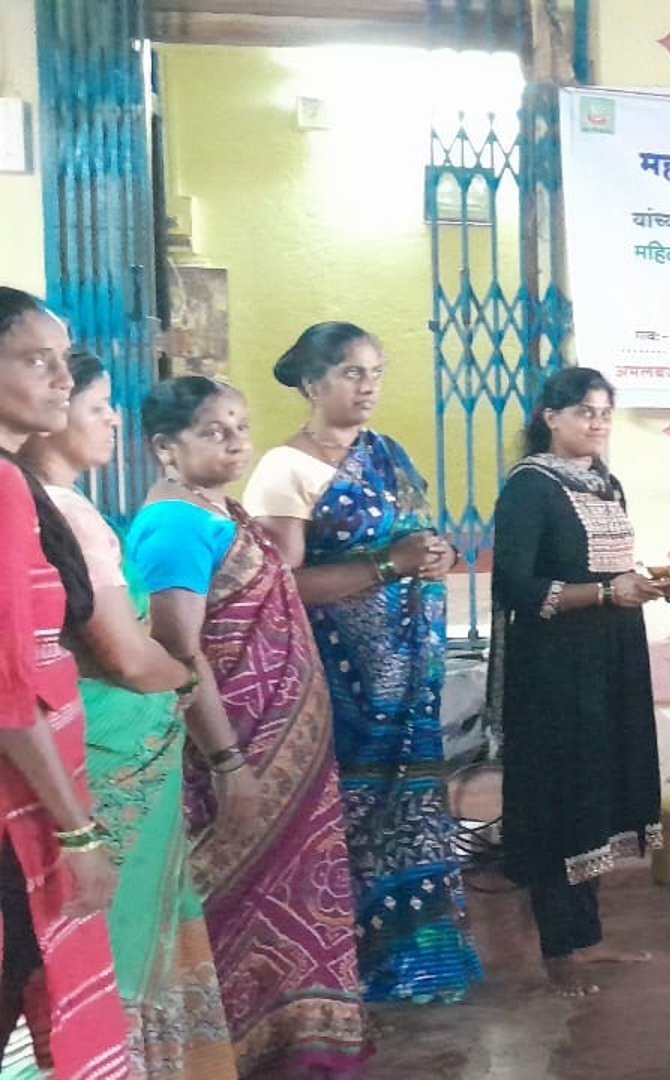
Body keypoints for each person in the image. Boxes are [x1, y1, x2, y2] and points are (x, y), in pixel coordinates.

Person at [127, 378, 368, 1078]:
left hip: (280, 757)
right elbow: (180, 650)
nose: (236, 441)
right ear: (165, 447)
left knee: (288, 900)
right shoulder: (175, 526)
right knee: (231, 906)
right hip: (232, 758)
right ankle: (234, 1052)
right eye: (214, 430)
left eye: (240, 426)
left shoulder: (220, 512)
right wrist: (228, 762)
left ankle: (295, 1043)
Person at [241, 322, 480, 1004]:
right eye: (352, 372)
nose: (368, 385)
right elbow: (279, 586)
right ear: (312, 383)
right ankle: (345, 968)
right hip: (340, 681)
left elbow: (418, 541)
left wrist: (437, 556)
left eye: (375, 371)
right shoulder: (283, 468)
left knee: (412, 808)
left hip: (408, 673)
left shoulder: (388, 454)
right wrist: (389, 566)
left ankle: (421, 962)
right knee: (347, 812)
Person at [21, 350, 239, 1078]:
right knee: (107, 934)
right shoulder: (66, 514)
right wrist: (186, 677)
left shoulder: (54, 506)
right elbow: (126, 656)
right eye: (96, 407)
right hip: (110, 757)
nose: (112, 420)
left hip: (109, 749)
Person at [489, 367, 670, 997]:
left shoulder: (606, 484)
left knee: (599, 789)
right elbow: (516, 587)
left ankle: (589, 938)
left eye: (606, 413)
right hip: (556, 668)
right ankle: (558, 951)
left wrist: (659, 587)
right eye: (585, 412)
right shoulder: (530, 486)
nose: (598, 423)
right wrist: (610, 593)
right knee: (562, 796)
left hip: (611, 656)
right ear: (550, 417)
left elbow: (612, 575)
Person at [0, 288, 129, 1078]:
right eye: (34, 359)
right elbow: (8, 693)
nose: (60, 378)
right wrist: (78, 833)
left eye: (61, 359)